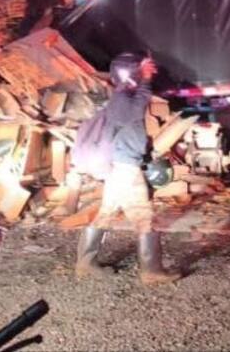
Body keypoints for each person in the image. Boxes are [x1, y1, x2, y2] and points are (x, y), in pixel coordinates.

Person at [76, 52, 182, 285]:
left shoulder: (123, 95)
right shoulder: (122, 99)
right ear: (129, 74)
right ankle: (151, 271)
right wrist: (144, 80)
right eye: (138, 70)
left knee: (107, 212)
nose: (145, 74)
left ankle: (85, 263)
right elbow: (135, 110)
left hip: (121, 164)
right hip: (125, 167)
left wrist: (142, 78)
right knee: (144, 217)